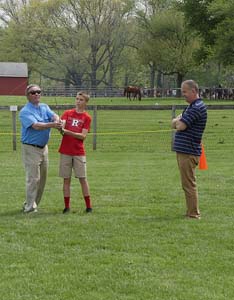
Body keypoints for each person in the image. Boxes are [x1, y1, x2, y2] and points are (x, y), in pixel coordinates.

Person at [19, 84, 62, 213]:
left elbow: (54, 115)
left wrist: (58, 120)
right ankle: (30, 208)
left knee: (42, 178)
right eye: (33, 92)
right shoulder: (25, 111)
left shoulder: (44, 107)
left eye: (38, 92)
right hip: (30, 148)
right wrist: (53, 125)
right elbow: (36, 125)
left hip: (44, 148)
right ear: (27, 96)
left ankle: (32, 203)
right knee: (33, 179)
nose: (36, 94)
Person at [172, 80, 207, 219]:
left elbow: (180, 125)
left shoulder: (196, 107)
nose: (183, 95)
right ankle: (191, 211)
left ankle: (193, 214)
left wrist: (177, 121)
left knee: (188, 184)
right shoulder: (191, 106)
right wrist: (177, 121)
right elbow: (175, 122)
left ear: (193, 91)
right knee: (186, 183)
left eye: (185, 92)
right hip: (184, 151)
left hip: (189, 152)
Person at [58, 91, 92, 214]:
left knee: (83, 178)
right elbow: (61, 127)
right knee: (66, 179)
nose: (78, 101)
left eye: (81, 100)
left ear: (86, 102)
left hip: (78, 152)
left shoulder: (87, 117)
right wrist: (60, 127)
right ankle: (67, 207)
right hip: (65, 151)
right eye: (77, 99)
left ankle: (89, 206)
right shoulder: (67, 113)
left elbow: (83, 136)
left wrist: (68, 132)